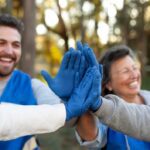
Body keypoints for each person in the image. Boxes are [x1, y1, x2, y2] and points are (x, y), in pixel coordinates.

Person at [0, 13, 102, 150]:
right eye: (1, 43)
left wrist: (76, 99)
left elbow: (67, 117)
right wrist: (65, 110)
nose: (9, 51)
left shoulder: (32, 86)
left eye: (16, 45)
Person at [75, 44, 150, 149]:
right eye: (125, 71)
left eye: (134, 68)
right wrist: (86, 102)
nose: (134, 75)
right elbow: (92, 140)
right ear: (108, 84)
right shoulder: (101, 112)